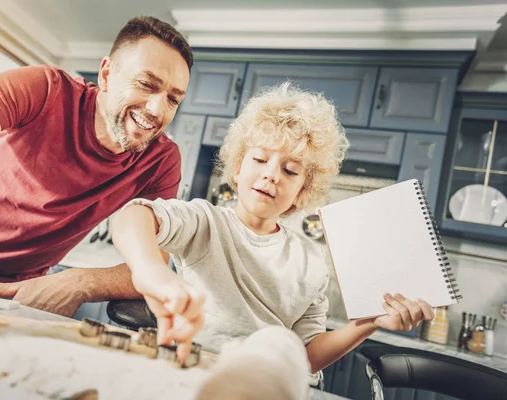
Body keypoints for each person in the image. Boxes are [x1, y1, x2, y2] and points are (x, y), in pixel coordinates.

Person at [111, 82, 435, 368]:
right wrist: (151, 271)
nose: (271, 174)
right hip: (200, 376)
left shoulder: (311, 260)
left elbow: (307, 354)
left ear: (301, 192)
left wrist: (370, 322)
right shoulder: (205, 223)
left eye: (291, 170)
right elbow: (132, 216)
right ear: (238, 168)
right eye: (260, 159)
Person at [0, 16, 199, 325]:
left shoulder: (161, 160)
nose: (157, 110)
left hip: (24, 292)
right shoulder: (45, 89)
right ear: (107, 75)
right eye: (146, 84)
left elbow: (152, 261)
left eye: (173, 99)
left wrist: (79, 282)